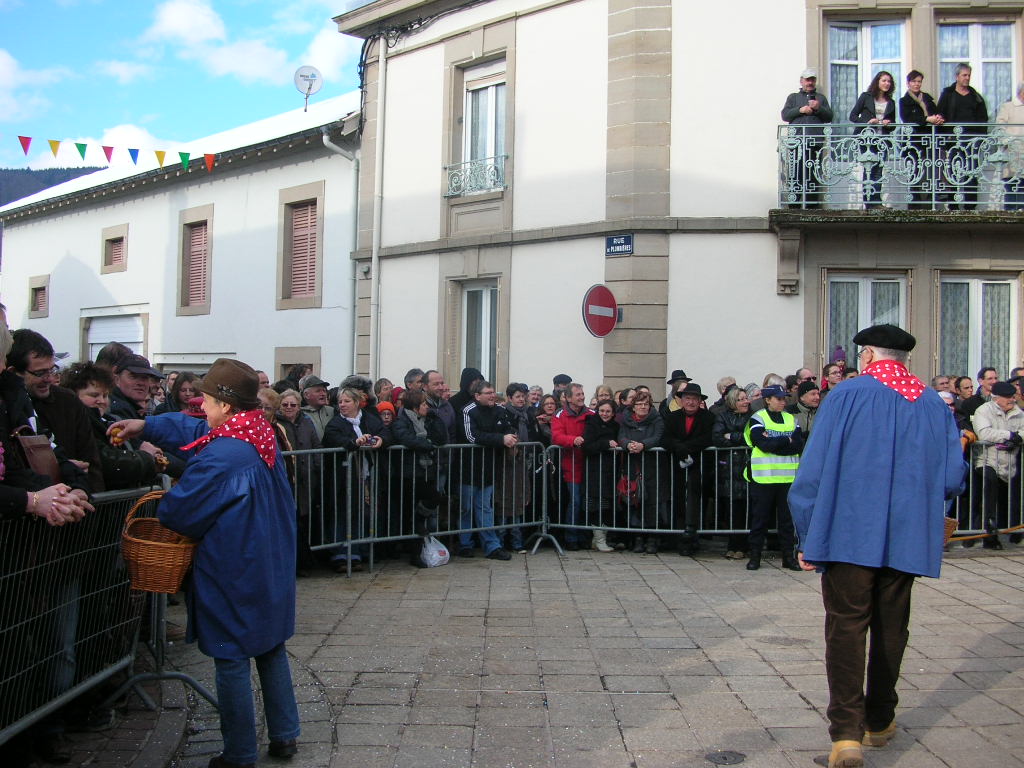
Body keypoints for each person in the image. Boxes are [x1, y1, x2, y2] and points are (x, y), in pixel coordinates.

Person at [108, 358, 301, 768]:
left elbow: (180, 514)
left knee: (230, 656)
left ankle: (239, 753)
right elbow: (197, 428)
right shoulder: (258, 432)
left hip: (235, 568)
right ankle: (285, 734)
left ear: (226, 406)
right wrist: (148, 426)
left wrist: (167, 498)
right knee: (270, 648)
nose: (203, 409)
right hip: (270, 563)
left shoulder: (222, 457)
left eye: (208, 401)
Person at [789, 324, 966, 768]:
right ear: (904, 359)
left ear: (867, 355)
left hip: (848, 530)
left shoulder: (846, 396)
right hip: (907, 533)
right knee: (893, 625)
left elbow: (813, 469)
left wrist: (807, 533)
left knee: (846, 626)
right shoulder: (932, 402)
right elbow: (951, 479)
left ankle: (845, 734)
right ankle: (881, 719)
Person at [60, 362, 163, 490]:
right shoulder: (77, 424)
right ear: (72, 395)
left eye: (105, 395)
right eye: (94, 395)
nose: (102, 401)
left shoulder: (106, 421)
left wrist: (139, 445)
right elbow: (105, 461)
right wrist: (148, 460)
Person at [322, 387, 386, 572]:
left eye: (347, 401)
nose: (342, 405)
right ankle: (341, 554)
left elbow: (385, 433)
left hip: (366, 475)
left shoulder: (369, 420)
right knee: (344, 513)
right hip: (344, 476)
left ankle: (359, 550)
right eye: (340, 401)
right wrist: (354, 443)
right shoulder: (335, 423)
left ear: (357, 403)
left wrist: (380, 440)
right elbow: (333, 439)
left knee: (362, 514)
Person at [743, 384, 804, 571]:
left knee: (786, 521)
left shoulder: (790, 419)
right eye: (778, 399)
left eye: (784, 398)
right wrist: (787, 440)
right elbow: (763, 444)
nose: (783, 402)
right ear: (767, 400)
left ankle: (788, 557)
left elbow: (798, 445)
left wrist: (777, 442)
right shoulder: (758, 418)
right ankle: (755, 557)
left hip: (786, 479)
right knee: (760, 519)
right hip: (763, 478)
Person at [458, 380, 514, 560]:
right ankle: (465, 543)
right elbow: (472, 436)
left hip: (489, 467)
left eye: (493, 392)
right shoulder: (468, 411)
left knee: (485, 507)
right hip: (468, 468)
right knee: (465, 508)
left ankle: (491, 546)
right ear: (477, 396)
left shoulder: (500, 410)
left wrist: (512, 438)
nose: (492, 396)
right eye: (488, 393)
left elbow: (508, 428)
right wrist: (500, 439)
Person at [969, 381, 1024, 548]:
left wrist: (1018, 438)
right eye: (1007, 397)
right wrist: (1009, 435)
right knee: (988, 496)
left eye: (1012, 396)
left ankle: (1013, 532)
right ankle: (988, 536)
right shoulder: (983, 411)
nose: (1011, 400)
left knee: (1009, 500)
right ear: (996, 398)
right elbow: (984, 432)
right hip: (987, 461)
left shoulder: (1018, 412)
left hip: (1010, 463)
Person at [662, 382, 714, 555]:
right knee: (677, 499)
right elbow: (665, 439)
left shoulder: (708, 417)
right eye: (687, 398)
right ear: (681, 400)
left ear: (699, 401)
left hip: (699, 465)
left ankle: (692, 536)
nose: (691, 402)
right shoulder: (672, 417)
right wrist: (679, 448)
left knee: (695, 499)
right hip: (676, 465)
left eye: (694, 399)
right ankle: (678, 536)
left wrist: (687, 447)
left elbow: (708, 438)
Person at [617, 390, 666, 553]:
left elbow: (658, 437)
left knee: (652, 502)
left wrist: (643, 445)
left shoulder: (657, 419)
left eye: (646, 404)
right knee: (634, 501)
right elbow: (621, 436)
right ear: (633, 406)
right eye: (639, 404)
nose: (643, 407)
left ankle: (652, 538)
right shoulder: (626, 420)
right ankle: (638, 537)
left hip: (651, 466)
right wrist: (627, 445)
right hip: (633, 466)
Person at [937, 63, 988, 210]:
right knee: (953, 172)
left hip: (972, 141)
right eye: (964, 75)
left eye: (969, 75)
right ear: (957, 76)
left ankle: (970, 206)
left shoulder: (975, 96)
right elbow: (941, 114)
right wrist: (944, 139)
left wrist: (980, 138)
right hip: (954, 140)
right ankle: (953, 205)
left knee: (971, 173)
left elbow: (982, 119)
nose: (967, 78)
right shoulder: (948, 94)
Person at [781, 68, 834, 208]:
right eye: (807, 79)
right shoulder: (793, 97)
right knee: (795, 174)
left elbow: (829, 116)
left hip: (815, 142)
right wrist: (800, 110)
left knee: (813, 175)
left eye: (812, 80)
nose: (810, 82)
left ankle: (812, 205)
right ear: (801, 81)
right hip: (796, 142)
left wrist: (818, 108)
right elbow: (785, 115)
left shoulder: (821, 98)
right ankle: (794, 205)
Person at [551, 382, 593, 550]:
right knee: (575, 501)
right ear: (568, 398)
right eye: (578, 394)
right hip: (571, 464)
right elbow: (557, 437)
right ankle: (571, 537)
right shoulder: (560, 415)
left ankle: (584, 536)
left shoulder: (591, 413)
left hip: (590, 464)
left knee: (586, 502)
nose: (582, 397)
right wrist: (573, 440)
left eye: (582, 394)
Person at [712, 386, 752, 559]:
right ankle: (732, 544)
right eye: (741, 399)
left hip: (747, 465)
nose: (745, 402)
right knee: (732, 507)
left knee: (746, 507)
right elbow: (717, 438)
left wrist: (732, 437)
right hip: (728, 467)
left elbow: (751, 437)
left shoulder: (752, 417)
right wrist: (736, 439)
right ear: (732, 402)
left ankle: (743, 546)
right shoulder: (722, 416)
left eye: (746, 398)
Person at [850, 70, 896, 209]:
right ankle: (869, 202)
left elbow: (893, 125)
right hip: (867, 138)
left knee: (879, 170)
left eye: (889, 81)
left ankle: (876, 202)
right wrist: (868, 122)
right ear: (877, 82)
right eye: (884, 80)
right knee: (870, 169)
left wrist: (889, 123)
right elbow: (853, 116)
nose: (887, 83)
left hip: (883, 139)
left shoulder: (891, 102)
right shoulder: (866, 96)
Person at [898, 70, 944, 208]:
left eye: (919, 81)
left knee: (933, 170)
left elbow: (936, 112)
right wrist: (926, 119)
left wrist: (939, 118)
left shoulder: (927, 99)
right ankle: (914, 203)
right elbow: (907, 118)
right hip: (913, 140)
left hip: (929, 139)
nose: (917, 84)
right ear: (908, 83)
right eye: (914, 81)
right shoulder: (904, 101)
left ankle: (931, 201)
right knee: (914, 171)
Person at [581, 398, 620, 553]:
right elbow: (587, 446)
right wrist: (606, 443)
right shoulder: (591, 424)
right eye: (602, 411)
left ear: (613, 413)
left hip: (610, 471)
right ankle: (599, 539)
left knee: (607, 506)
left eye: (608, 411)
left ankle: (599, 539)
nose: (604, 414)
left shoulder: (616, 426)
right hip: (594, 471)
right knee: (596, 506)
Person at [996, 82, 1024, 210]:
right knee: (1012, 191)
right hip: (1013, 155)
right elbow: (999, 128)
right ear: (1021, 92)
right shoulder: (1008, 107)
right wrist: (1009, 141)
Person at [300, 375, 334, 441]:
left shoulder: (332, 411)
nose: (323, 394)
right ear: (306, 395)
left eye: (324, 390)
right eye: (318, 391)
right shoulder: (300, 413)